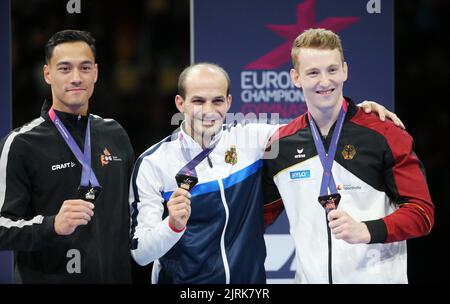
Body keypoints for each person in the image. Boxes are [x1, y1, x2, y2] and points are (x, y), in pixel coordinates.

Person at [129, 62, 403, 284]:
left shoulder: (252, 140)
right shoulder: (154, 164)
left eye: (217, 101)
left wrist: (360, 112)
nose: (209, 111)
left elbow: (314, 128)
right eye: (198, 101)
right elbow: (140, 253)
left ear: (229, 101)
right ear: (180, 103)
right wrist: (172, 225)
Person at [262, 28, 434, 284]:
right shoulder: (280, 144)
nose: (324, 81)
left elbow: (422, 213)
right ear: (296, 78)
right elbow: (254, 217)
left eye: (332, 70)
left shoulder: (385, 133)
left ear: (345, 70)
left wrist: (366, 230)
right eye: (313, 73)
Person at [0, 30, 134, 283]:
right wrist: (52, 225)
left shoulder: (115, 134)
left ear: (95, 72)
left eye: (84, 68)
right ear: (47, 74)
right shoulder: (21, 144)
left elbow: (134, 212)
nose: (76, 78)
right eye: (64, 69)